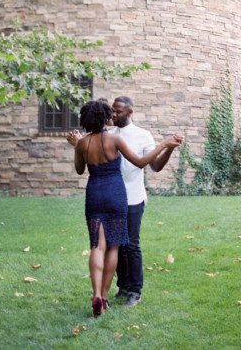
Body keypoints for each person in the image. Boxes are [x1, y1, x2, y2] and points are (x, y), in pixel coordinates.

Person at [68, 95, 183, 308]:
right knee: (115, 247)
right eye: (111, 111)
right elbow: (135, 161)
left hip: (117, 196)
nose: (113, 114)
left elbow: (154, 166)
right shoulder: (112, 136)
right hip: (116, 196)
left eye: (118, 111)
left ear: (130, 111)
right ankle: (117, 289)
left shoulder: (139, 135)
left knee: (119, 246)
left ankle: (126, 291)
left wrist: (168, 147)